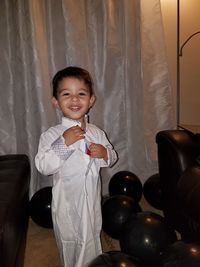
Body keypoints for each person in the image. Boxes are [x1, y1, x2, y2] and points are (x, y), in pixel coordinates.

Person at [35, 66, 118, 267]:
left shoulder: (96, 133)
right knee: (70, 241)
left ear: (91, 100)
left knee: (91, 237)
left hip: (91, 202)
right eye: (66, 94)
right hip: (67, 203)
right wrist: (64, 142)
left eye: (81, 94)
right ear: (56, 101)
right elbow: (43, 165)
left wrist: (105, 153)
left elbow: (112, 157)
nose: (74, 99)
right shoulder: (52, 135)